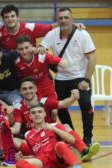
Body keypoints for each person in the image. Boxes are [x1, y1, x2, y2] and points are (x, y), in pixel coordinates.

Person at [41, 8, 96, 146]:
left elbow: (92, 58)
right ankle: (73, 136)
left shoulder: (82, 34)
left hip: (80, 77)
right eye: (60, 18)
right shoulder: (52, 34)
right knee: (59, 108)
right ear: (57, 20)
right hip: (61, 78)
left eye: (66, 17)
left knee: (85, 104)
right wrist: (46, 54)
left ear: (72, 19)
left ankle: (88, 137)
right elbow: (42, 50)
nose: (63, 20)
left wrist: (86, 80)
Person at [11, 77, 100, 162]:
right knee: (14, 139)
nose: (28, 91)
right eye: (24, 89)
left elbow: (62, 104)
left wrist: (73, 98)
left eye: (30, 88)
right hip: (34, 141)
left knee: (65, 126)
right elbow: (16, 128)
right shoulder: (18, 107)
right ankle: (39, 154)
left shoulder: (44, 101)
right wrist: (5, 127)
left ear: (36, 89)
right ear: (20, 91)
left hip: (50, 137)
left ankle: (84, 151)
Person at [15, 103, 84, 168]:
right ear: (30, 116)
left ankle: (77, 167)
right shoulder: (28, 135)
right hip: (43, 160)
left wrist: (54, 129)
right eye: (33, 113)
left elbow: (72, 140)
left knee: (60, 145)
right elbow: (34, 155)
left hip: (57, 156)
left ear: (44, 114)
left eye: (39, 112)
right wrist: (23, 157)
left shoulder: (55, 126)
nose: (37, 115)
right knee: (19, 163)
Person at [15, 35, 67, 99]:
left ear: (31, 46)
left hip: (48, 87)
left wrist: (63, 70)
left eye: (26, 47)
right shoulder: (17, 63)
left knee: (53, 106)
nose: (25, 51)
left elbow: (63, 63)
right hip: (32, 91)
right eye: (21, 49)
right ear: (17, 50)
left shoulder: (41, 55)